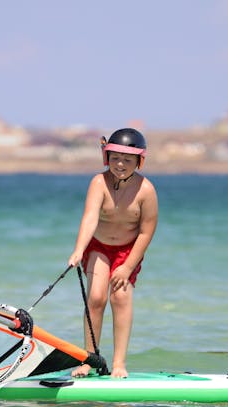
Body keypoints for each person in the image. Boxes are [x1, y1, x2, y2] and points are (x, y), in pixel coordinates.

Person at [67, 128, 158, 378]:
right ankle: (88, 359)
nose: (120, 164)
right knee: (96, 298)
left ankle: (119, 363)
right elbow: (90, 218)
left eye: (128, 160)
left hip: (128, 251)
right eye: (115, 158)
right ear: (106, 157)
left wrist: (128, 266)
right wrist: (78, 250)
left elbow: (146, 233)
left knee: (120, 298)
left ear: (139, 161)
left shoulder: (146, 190)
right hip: (98, 246)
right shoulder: (98, 182)